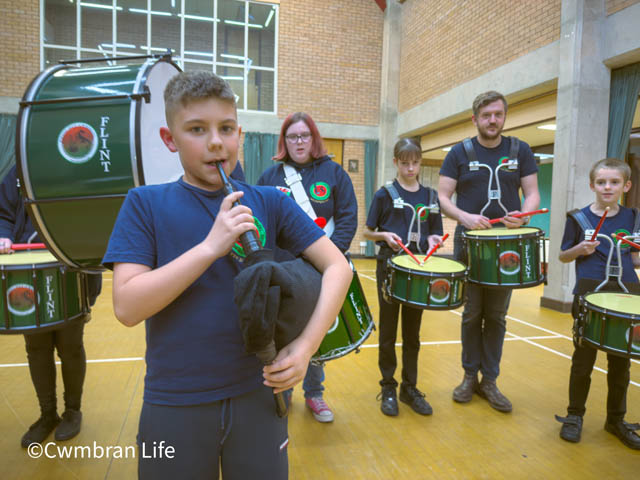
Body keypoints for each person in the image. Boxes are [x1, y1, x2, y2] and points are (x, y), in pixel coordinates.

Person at [102, 71, 352, 479]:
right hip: (174, 402)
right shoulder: (144, 204)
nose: (215, 141)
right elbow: (127, 306)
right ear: (170, 139)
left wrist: (306, 347)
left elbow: (338, 267)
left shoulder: (269, 200)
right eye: (197, 129)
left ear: (240, 134)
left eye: (226, 128)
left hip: (258, 394)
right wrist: (208, 248)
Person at [438, 91, 540, 412]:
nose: (492, 120)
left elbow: (533, 194)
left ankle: (490, 381)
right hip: (471, 244)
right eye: (486, 116)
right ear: (475, 119)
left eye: (497, 114)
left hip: (506, 247)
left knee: (496, 316)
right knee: (471, 314)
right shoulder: (459, 152)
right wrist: (464, 217)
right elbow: (442, 196)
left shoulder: (520, 150)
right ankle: (469, 376)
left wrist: (523, 216)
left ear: (504, 116)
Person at [257, 112, 357, 423]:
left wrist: (328, 259)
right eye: (292, 137)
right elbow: (261, 223)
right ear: (284, 142)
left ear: (313, 138)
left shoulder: (335, 173)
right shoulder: (270, 178)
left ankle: (314, 394)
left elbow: (348, 218)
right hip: (283, 271)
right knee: (283, 334)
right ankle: (282, 392)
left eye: (304, 135)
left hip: (319, 271)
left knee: (316, 336)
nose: (298, 142)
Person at [0, 165, 102, 447]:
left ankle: (72, 411)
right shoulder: (17, 172)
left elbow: (94, 212)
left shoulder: (74, 167)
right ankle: (47, 414)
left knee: (70, 346)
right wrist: (4, 234)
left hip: (68, 270)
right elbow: (3, 213)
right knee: (36, 349)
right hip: (26, 270)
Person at [555, 158, 640, 449]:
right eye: (601, 182)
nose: (607, 187)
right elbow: (563, 256)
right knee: (583, 361)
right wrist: (581, 248)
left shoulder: (634, 217)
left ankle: (615, 420)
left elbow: (635, 259)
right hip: (590, 295)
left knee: (621, 363)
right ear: (592, 185)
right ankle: (574, 415)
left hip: (626, 296)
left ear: (625, 186)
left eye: (614, 182)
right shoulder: (578, 218)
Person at [364, 138, 443, 417]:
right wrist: (384, 235)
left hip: (418, 267)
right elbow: (367, 231)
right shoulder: (384, 194)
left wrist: (434, 238)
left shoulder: (431, 197)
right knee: (388, 331)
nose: (411, 168)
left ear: (420, 162)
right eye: (405, 163)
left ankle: (409, 388)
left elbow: (434, 231)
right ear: (396, 162)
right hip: (390, 267)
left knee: (413, 333)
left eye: (415, 163)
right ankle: (388, 386)